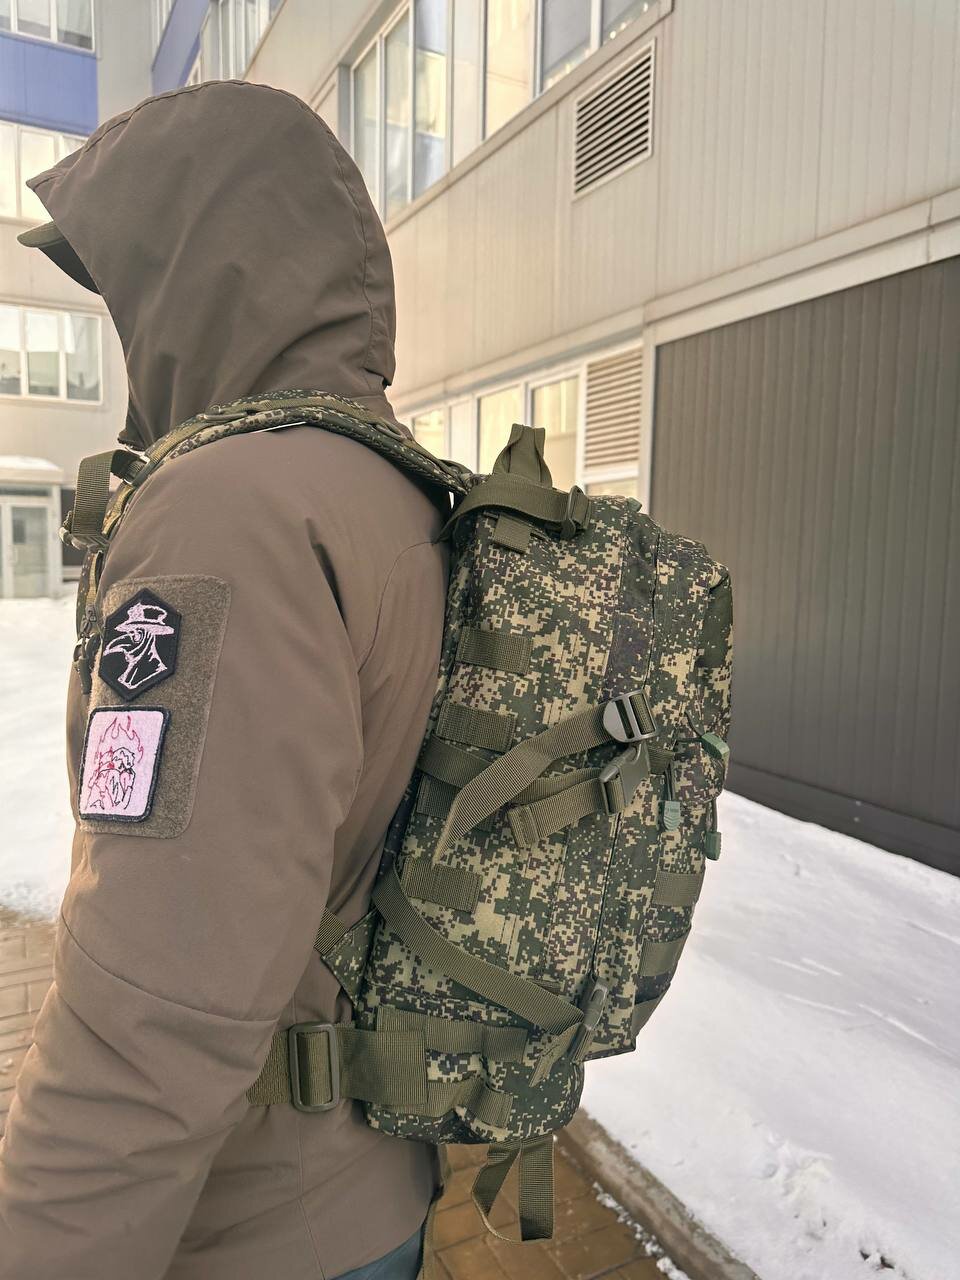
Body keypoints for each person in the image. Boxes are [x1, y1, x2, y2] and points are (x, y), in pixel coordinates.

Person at [0, 81, 447, 1280]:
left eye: (127, 281)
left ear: (189, 273)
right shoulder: (387, 484)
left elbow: (153, 1014)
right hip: (366, 1176)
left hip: (251, 1221)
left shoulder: (228, 514)